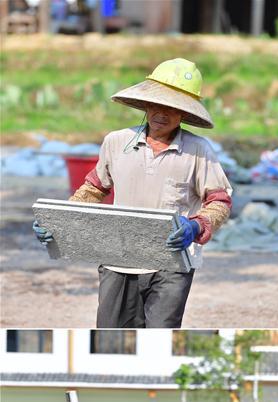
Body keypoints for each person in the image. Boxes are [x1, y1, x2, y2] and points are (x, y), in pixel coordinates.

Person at [32, 58, 233, 329]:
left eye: (172, 108)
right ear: (146, 104)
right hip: (118, 257)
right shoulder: (116, 142)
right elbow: (93, 189)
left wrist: (196, 226)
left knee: (162, 335)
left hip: (171, 262)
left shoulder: (198, 150)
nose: (161, 112)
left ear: (184, 113)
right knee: (111, 333)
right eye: (156, 104)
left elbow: (219, 202)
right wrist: (59, 222)